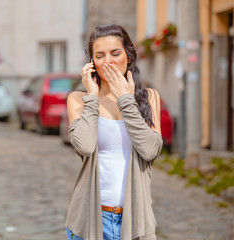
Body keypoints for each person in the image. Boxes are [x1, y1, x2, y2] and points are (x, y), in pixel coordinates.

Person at [65, 24, 163, 240]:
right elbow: (85, 145)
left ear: (128, 56)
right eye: (99, 56)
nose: (107, 61)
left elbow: (150, 150)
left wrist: (126, 100)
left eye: (115, 53)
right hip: (90, 219)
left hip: (135, 220)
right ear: (91, 63)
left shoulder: (149, 97)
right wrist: (92, 96)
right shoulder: (78, 100)